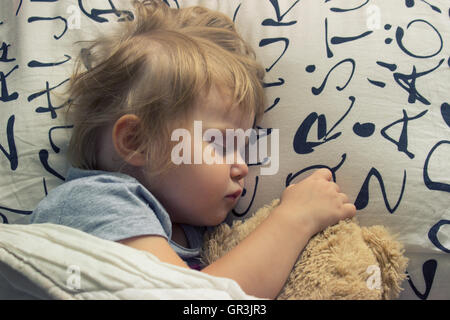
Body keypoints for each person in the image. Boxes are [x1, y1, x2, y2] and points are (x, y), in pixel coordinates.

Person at [31, 0, 356, 299]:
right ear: (137, 141)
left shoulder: (187, 230)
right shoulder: (96, 200)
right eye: (221, 143)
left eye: (242, 148)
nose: (242, 166)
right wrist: (295, 219)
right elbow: (192, 299)